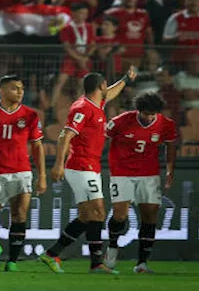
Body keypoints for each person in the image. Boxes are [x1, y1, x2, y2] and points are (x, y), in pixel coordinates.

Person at [39, 68, 137, 274]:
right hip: (81, 166)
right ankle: (96, 263)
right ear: (101, 86)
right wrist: (58, 164)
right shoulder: (83, 108)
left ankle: (51, 254)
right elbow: (65, 135)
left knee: (86, 216)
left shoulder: (96, 103)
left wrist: (125, 79)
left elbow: (111, 93)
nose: (108, 90)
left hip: (90, 166)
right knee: (98, 212)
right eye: (106, 85)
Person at [0, 74, 47, 272]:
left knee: (19, 216)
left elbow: (37, 147)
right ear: (2, 91)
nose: (20, 92)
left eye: (21, 88)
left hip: (21, 172)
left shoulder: (30, 115)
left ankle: (12, 261)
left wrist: (42, 176)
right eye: (14, 88)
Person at [103, 92, 177, 274]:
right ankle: (111, 249)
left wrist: (170, 170)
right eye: (146, 114)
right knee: (120, 214)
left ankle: (142, 263)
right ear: (138, 110)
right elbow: (102, 138)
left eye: (153, 114)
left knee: (150, 215)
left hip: (149, 173)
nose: (150, 118)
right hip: (122, 172)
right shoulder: (120, 121)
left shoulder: (166, 124)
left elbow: (170, 147)